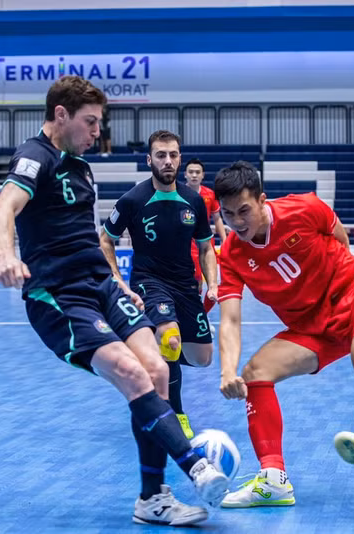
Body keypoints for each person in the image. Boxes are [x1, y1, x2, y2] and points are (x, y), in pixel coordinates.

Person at [0, 77, 228, 526]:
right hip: (60, 294)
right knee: (129, 371)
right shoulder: (33, 157)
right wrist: (5, 254)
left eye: (100, 122)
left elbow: (92, 239)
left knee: (158, 368)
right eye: (90, 121)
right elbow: (3, 210)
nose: (98, 131)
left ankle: (151, 499)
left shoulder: (81, 167)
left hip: (102, 286)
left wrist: (118, 281)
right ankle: (194, 465)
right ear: (61, 114)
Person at [214, 161, 354, 508]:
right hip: (309, 326)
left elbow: (339, 238)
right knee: (256, 373)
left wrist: (342, 278)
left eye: (244, 211)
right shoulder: (231, 255)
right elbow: (230, 321)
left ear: (261, 201)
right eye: (227, 214)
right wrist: (228, 371)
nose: (237, 222)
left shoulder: (303, 208)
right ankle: (274, 481)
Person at [100, 131, 217, 442]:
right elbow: (106, 240)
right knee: (171, 340)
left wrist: (212, 284)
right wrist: (118, 280)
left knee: (202, 357)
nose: (168, 161)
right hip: (149, 282)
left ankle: (152, 357)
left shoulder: (194, 200)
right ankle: (175, 413)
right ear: (149, 159)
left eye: (173, 155)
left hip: (185, 285)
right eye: (161, 155)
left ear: (179, 158)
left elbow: (206, 247)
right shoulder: (132, 200)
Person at [184, 158, 228, 293]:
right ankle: (195, 311)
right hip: (185, 244)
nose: (194, 175)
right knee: (193, 282)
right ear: (185, 174)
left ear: (203, 175)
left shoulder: (210, 194)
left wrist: (225, 241)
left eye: (197, 172)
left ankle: (203, 311)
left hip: (206, 243)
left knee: (213, 282)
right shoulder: (177, 193)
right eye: (191, 172)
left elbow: (217, 219)